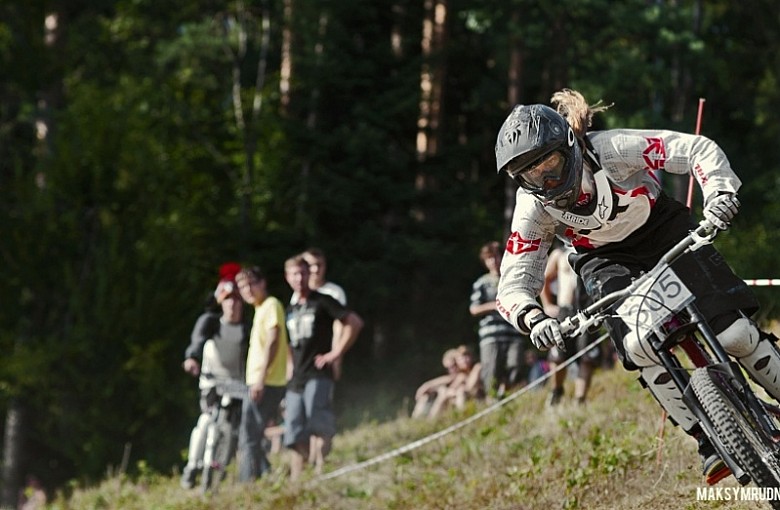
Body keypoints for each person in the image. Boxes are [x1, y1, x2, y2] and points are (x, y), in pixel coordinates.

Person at [492, 88, 780, 480]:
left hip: (662, 229)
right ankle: (708, 441)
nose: (547, 179)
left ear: (571, 145)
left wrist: (719, 193)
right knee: (637, 343)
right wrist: (532, 317)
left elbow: (694, 148)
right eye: (532, 174)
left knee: (733, 335)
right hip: (604, 261)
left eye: (552, 164)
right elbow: (514, 278)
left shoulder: (612, 148)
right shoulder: (533, 206)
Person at [283, 254, 364, 480]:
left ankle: (320, 470)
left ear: (310, 275)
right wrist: (289, 365)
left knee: (318, 421)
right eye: (294, 274)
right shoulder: (288, 308)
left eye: (303, 273)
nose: (299, 278)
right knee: (293, 429)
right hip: (296, 377)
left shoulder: (323, 301)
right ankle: (297, 477)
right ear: (287, 277)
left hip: (319, 372)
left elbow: (354, 322)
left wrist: (336, 353)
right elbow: (286, 342)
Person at [180, 263, 248, 489]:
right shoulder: (210, 322)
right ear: (221, 301)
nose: (233, 304)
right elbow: (197, 341)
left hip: (237, 383)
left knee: (230, 428)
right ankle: (192, 465)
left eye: (237, 299)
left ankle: (218, 469)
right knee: (206, 420)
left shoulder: (247, 328)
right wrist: (192, 358)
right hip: (211, 381)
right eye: (228, 299)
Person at [234, 266, 288, 482]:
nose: (247, 290)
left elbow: (273, 341)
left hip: (265, 381)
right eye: (242, 286)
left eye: (251, 284)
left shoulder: (271, 305)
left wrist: (260, 379)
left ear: (262, 283)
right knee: (252, 435)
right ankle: (266, 476)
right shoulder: (259, 309)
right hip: (260, 381)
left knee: (249, 436)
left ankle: (247, 484)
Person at [539, 242, 600, 406]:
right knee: (558, 355)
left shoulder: (593, 248)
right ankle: (556, 390)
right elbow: (544, 279)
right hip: (565, 309)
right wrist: (547, 305)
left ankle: (580, 399)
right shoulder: (559, 254)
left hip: (589, 308)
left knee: (588, 355)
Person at [470, 241, 528, 399]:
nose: (493, 261)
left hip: (513, 332)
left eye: (496, 256)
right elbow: (474, 309)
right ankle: (492, 401)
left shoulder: (512, 279)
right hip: (491, 335)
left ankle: (507, 395)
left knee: (515, 366)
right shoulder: (481, 283)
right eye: (489, 258)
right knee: (492, 371)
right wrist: (494, 305)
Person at [301, 248, 348, 381]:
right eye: (311, 265)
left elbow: (340, 326)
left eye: (319, 265)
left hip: (324, 357)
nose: (315, 269)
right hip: (303, 361)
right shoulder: (298, 295)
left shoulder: (333, 292)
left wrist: (335, 355)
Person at [411, 348, 460, 418]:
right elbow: (430, 385)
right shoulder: (450, 377)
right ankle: (416, 420)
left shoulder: (463, 375)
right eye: (448, 368)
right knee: (426, 396)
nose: (451, 370)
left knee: (443, 391)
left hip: (457, 400)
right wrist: (425, 388)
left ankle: (431, 420)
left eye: (453, 366)